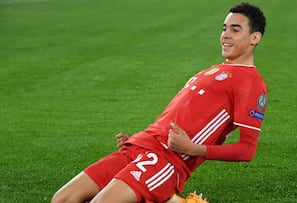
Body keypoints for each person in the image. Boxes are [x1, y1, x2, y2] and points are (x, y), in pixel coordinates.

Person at [51, 2, 267, 203]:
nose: (225, 36)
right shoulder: (213, 70)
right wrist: (137, 140)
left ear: (254, 37)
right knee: (62, 199)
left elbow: (246, 150)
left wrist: (193, 148)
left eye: (235, 30)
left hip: (166, 160)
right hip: (141, 147)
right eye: (224, 28)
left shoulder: (251, 82)